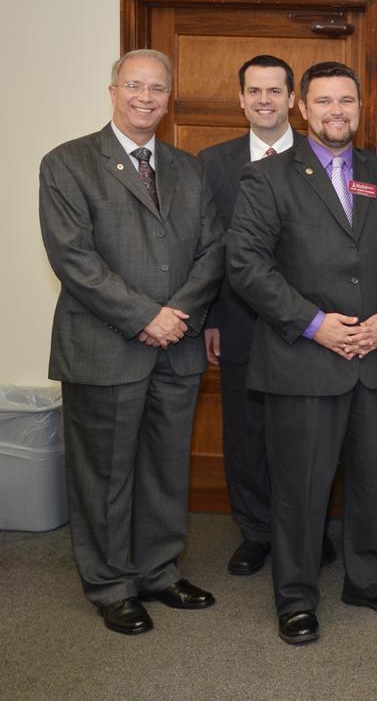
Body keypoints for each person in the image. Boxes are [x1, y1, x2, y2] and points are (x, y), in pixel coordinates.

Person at [227, 61, 377, 645]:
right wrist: (314, 324)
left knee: (373, 480)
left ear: (360, 109)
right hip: (305, 358)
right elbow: (245, 265)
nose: (337, 111)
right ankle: (295, 596)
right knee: (301, 489)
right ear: (301, 109)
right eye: (324, 102)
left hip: (376, 357)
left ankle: (365, 578)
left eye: (347, 101)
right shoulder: (269, 178)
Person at [40, 49, 224, 635]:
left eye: (158, 89)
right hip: (106, 344)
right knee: (106, 474)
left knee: (166, 468)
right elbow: (74, 258)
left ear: (171, 97)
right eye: (134, 86)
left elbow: (212, 249)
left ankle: (159, 570)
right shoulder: (68, 163)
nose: (146, 98)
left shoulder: (187, 167)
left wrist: (180, 315)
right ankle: (110, 584)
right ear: (112, 89)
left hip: (178, 346)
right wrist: (147, 316)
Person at [199, 54, 331, 577]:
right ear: (241, 100)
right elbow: (208, 247)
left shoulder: (322, 156)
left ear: (293, 101)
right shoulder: (212, 162)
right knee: (245, 433)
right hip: (237, 319)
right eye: (254, 91)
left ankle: (305, 532)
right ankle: (254, 531)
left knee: (307, 436)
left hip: (308, 324)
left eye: (275, 91)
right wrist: (208, 316)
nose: (264, 100)